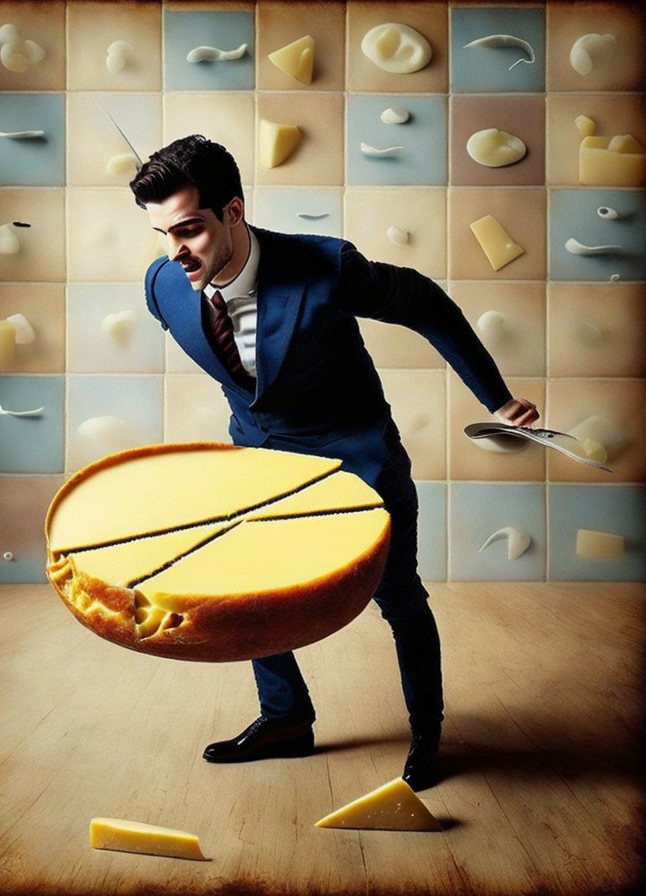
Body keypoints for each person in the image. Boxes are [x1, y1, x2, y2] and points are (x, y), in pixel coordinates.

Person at [129, 135, 539, 791]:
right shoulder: (164, 286)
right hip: (263, 467)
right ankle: (287, 720)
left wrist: (498, 396)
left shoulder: (327, 268)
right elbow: (242, 376)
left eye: (189, 230)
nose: (174, 251)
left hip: (359, 462)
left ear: (233, 212)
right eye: (160, 233)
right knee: (249, 592)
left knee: (399, 598)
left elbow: (425, 304)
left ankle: (428, 734)